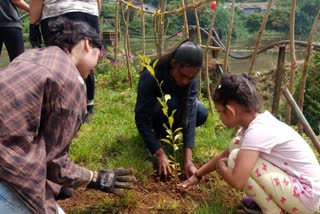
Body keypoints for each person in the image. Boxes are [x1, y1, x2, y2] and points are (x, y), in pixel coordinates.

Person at [0, 17, 135, 214]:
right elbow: (54, 163)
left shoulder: (30, 56)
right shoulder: (70, 81)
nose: (95, 67)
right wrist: (94, 178)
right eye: (99, 56)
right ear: (88, 44)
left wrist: (57, 186)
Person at [178, 73, 320, 213]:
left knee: (235, 158)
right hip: (304, 191)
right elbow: (224, 153)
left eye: (220, 111)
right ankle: (273, 204)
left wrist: (221, 166)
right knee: (236, 145)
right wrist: (197, 175)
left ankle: (274, 211)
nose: (219, 116)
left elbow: (237, 181)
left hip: (306, 197)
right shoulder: (254, 125)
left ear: (230, 111)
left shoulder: (257, 131)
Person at [135, 39, 208, 179]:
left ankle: (170, 134)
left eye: (191, 78)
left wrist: (188, 159)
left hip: (176, 112)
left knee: (201, 112)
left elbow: (191, 114)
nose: (186, 81)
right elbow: (141, 118)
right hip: (155, 116)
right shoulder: (151, 76)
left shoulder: (191, 77)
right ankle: (157, 136)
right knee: (171, 103)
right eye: (183, 76)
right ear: (174, 64)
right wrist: (159, 153)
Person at [29, 0, 101, 115]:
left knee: (60, 61)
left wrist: (33, 24)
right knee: (85, 62)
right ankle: (88, 104)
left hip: (57, 13)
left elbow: (36, 2)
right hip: (89, 12)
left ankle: (63, 105)